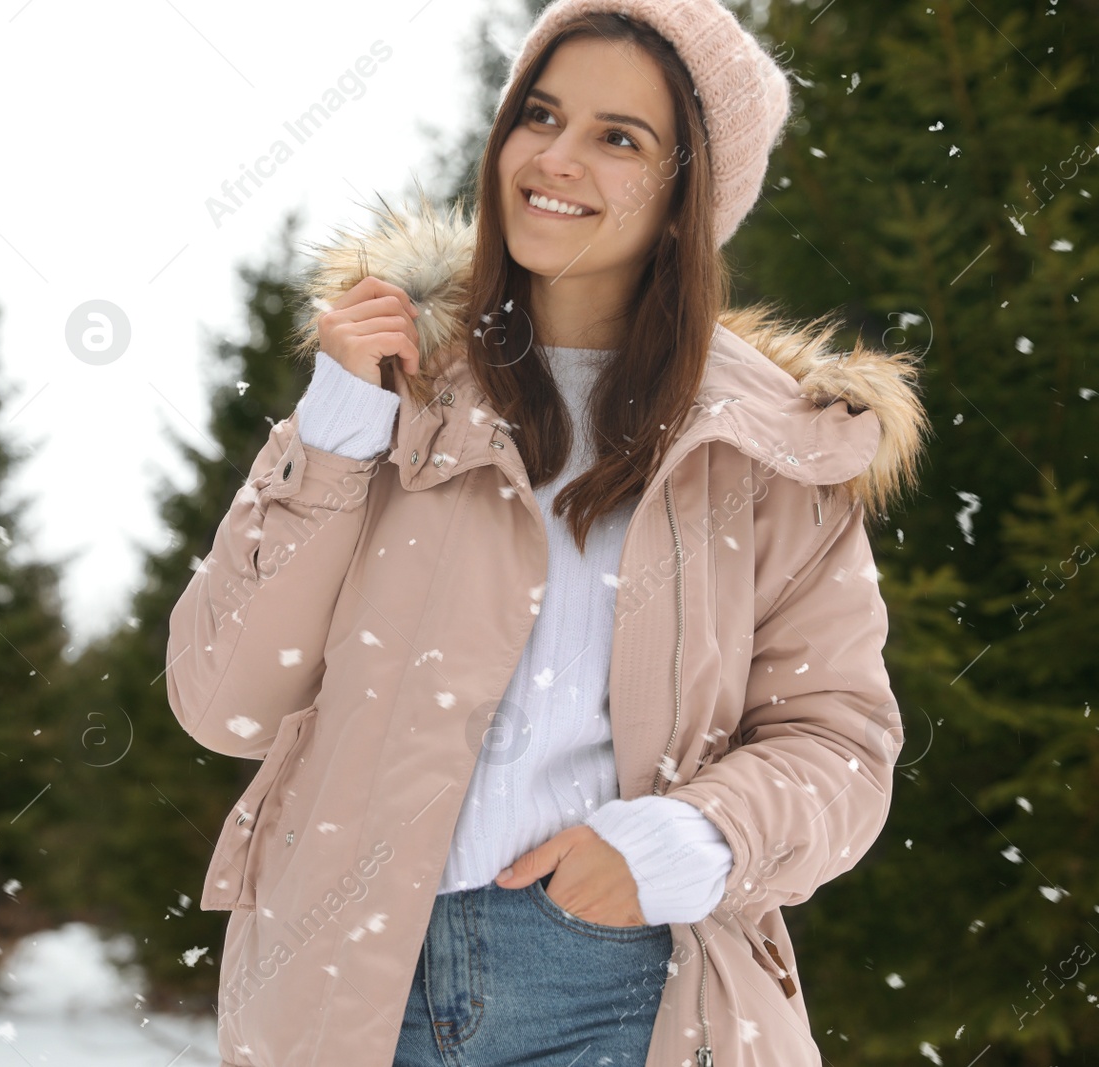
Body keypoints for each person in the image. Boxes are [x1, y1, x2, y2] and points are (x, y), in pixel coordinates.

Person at [164, 0, 930, 1064]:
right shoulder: (386, 389)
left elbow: (839, 743)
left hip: (623, 982)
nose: (555, 158)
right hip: (345, 980)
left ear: (683, 197)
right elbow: (223, 699)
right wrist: (335, 433)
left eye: (619, 137)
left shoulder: (770, 449)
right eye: (540, 114)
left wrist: (690, 837)